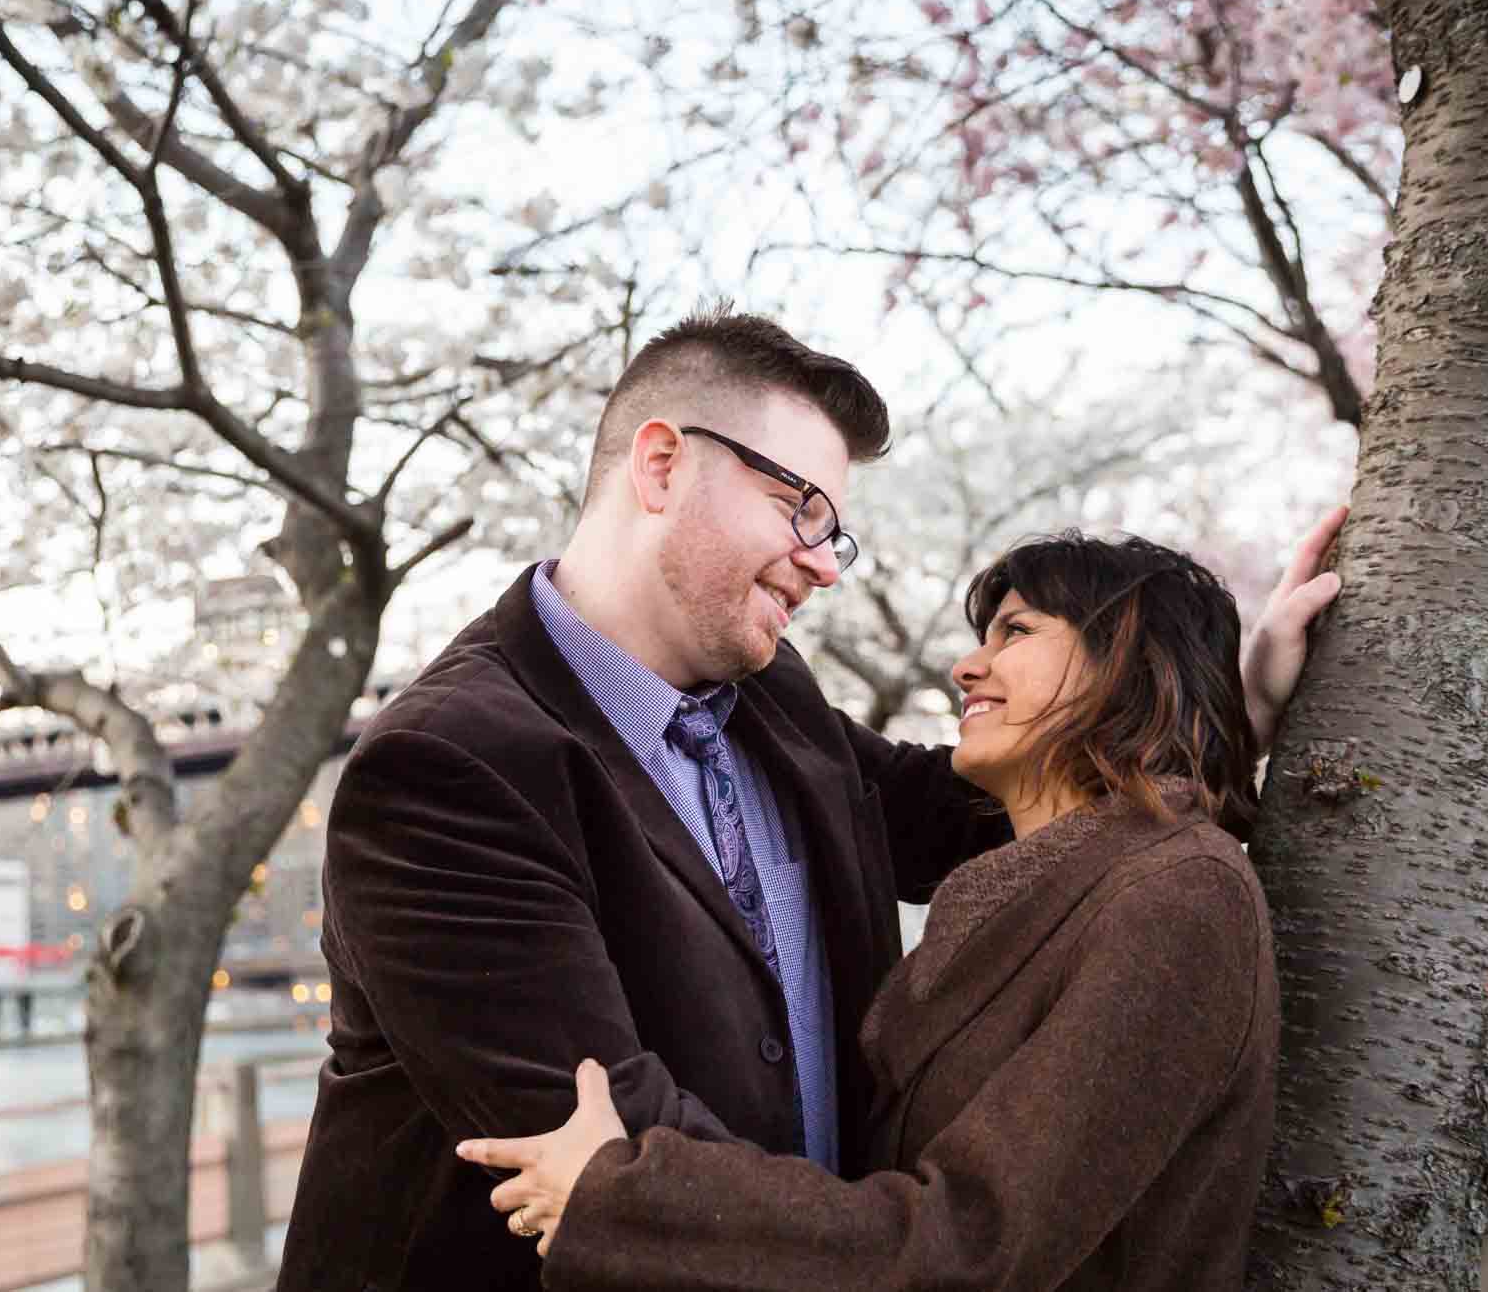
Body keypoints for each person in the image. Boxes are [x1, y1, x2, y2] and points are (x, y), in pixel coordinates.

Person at [274, 308, 1340, 1292]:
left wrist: (1212, 709)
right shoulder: (450, 768)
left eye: (835, 530)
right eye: (800, 509)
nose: (821, 564)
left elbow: (1014, 800)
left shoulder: (768, 696)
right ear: (660, 465)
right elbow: (598, 1149)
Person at [460, 532, 1280, 1291]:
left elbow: (974, 1238)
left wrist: (622, 1198)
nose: (966, 666)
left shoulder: (1180, 897)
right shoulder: (1046, 887)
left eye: (1016, 632)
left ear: (1128, 664)